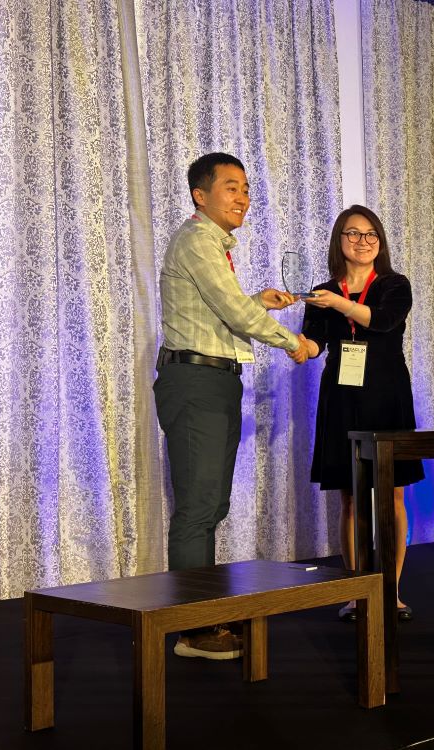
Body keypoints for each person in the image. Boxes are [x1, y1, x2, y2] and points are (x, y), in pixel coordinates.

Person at [154, 152, 308, 659]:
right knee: (198, 508)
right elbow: (235, 315)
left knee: (211, 506)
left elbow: (220, 309)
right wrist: (293, 342)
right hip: (195, 381)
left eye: (245, 188)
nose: (243, 197)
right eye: (231, 187)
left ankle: (204, 617)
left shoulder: (211, 244)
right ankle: (193, 630)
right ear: (201, 195)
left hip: (215, 380)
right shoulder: (198, 239)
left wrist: (258, 301)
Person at [298, 205, 424, 622]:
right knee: (350, 497)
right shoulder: (322, 291)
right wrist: (295, 345)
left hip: (387, 395)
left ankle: (392, 590)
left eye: (371, 234)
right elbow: (314, 342)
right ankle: (357, 593)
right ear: (340, 240)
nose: (363, 241)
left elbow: (382, 321)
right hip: (341, 397)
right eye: (353, 233)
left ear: (380, 242)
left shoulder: (394, 284)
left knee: (393, 493)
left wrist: (338, 303)